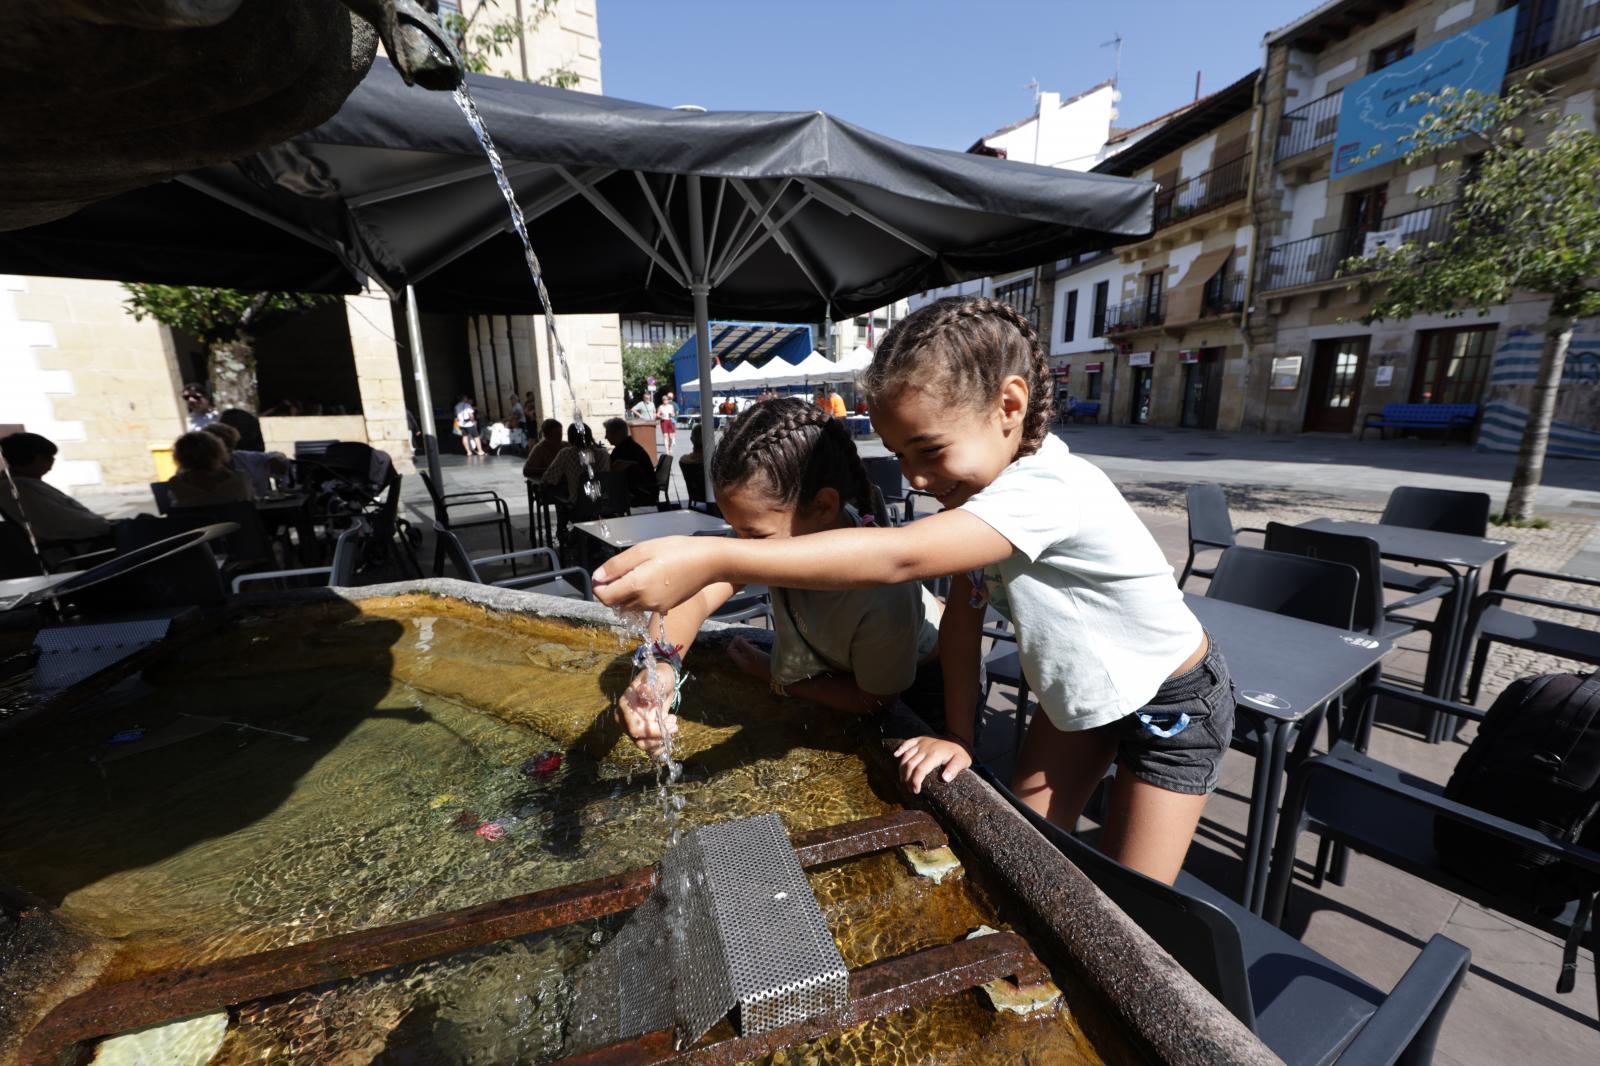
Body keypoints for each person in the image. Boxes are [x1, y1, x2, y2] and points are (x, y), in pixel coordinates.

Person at [592, 296, 1231, 885]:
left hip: (1173, 706)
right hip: (1083, 700)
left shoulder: (1052, 488)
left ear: (1009, 407)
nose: (915, 479)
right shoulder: (982, 498)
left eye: (928, 449)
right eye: (899, 455)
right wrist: (962, 738)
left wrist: (708, 554)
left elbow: (897, 558)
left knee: (1128, 904)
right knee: (1028, 861)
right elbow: (960, 621)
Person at [614, 399, 945, 753]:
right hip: (843, 665)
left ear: (822, 507)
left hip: (926, 684)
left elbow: (874, 699)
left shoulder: (879, 594)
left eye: (754, 537)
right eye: (736, 534)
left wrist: (775, 676)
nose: (741, 549)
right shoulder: (779, 523)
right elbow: (697, 595)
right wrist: (662, 669)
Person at [0, 432, 114, 547]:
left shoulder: (20, 484)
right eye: (50, 457)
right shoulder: (21, 490)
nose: (52, 462)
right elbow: (68, 523)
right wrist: (108, 525)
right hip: (79, 547)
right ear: (39, 459)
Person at [542, 423, 610, 539]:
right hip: (606, 503)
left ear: (570, 438)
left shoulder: (566, 453)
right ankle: (578, 535)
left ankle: (564, 532)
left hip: (580, 506)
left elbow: (548, 478)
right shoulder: (603, 453)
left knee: (561, 498)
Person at [167, 430, 255, 508]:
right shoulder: (240, 479)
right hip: (240, 526)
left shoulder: (176, 485)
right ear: (218, 451)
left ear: (180, 456)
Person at [201, 422, 290, 496]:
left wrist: (276, 459)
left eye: (230, 446)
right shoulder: (199, 467)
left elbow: (273, 456)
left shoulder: (242, 457)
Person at [604, 417, 657, 506]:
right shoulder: (627, 446)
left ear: (618, 434)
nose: (605, 437)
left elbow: (610, 471)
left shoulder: (624, 450)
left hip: (641, 492)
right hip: (646, 490)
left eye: (607, 433)